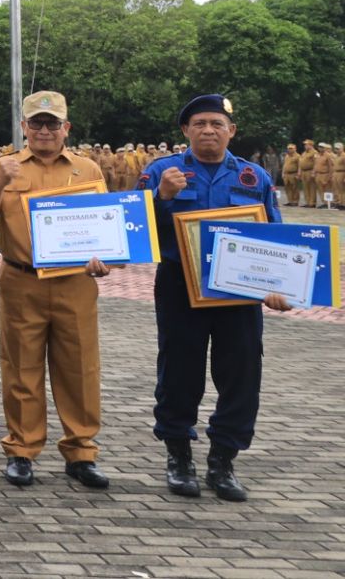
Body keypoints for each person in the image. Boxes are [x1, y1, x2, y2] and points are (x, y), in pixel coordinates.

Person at [141, 94, 284, 502]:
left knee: (241, 373)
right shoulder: (161, 171)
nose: (208, 130)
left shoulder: (253, 177)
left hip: (239, 293)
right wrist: (162, 198)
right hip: (179, 286)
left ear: (231, 131)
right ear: (185, 131)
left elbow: (274, 235)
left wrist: (279, 287)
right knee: (179, 371)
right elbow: (135, 231)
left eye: (217, 124)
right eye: (199, 123)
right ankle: (178, 456)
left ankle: (223, 460)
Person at [0, 91, 112, 489]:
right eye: (37, 122)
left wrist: (106, 260)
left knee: (80, 367)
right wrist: (0, 181)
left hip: (74, 283)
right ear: (24, 127)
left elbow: (108, 227)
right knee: (21, 366)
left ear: (66, 128)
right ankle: (22, 449)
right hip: (21, 280)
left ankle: (81, 450)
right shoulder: (5, 166)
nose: (45, 130)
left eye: (53, 123)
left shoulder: (87, 170)